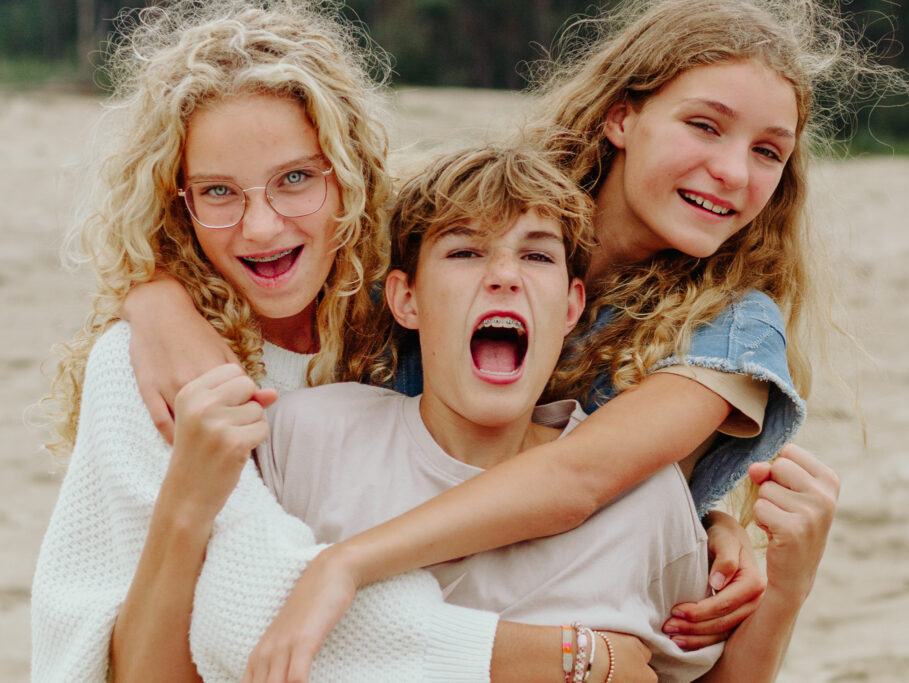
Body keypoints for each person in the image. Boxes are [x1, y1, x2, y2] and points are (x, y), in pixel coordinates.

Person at [241, 0, 909, 679]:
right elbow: (242, 271)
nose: (734, 172)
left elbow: (579, 477)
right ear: (621, 115)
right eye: (704, 126)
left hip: (520, 597)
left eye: (768, 151)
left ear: (570, 305)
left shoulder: (728, 328)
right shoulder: (477, 208)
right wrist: (157, 310)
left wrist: (710, 536)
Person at [29, 2, 656, 681]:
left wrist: (718, 526)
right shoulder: (145, 370)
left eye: (296, 178)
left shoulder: (407, 320)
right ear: (175, 201)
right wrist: (568, 659)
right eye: (218, 191)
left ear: (349, 170)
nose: (262, 227)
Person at [250, 144, 722, 682]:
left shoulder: (646, 501)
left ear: (570, 307)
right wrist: (576, 659)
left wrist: (785, 585)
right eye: (465, 252)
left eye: (537, 255)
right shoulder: (302, 438)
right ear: (407, 299)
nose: (504, 275)